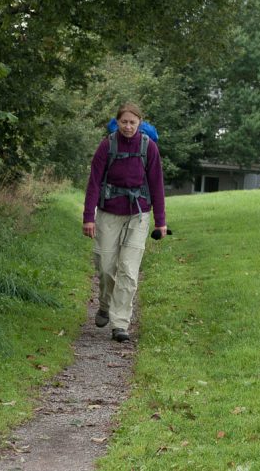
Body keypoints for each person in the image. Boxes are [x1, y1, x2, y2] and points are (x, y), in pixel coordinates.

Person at [82, 103, 167, 342]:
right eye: (124, 122)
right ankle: (105, 304)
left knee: (128, 270)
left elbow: (157, 185)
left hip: (138, 213)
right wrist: (89, 217)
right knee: (106, 266)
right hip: (108, 212)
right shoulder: (106, 146)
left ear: (140, 123)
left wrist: (161, 222)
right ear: (117, 122)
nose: (128, 126)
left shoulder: (148, 148)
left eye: (132, 122)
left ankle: (120, 323)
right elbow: (94, 184)